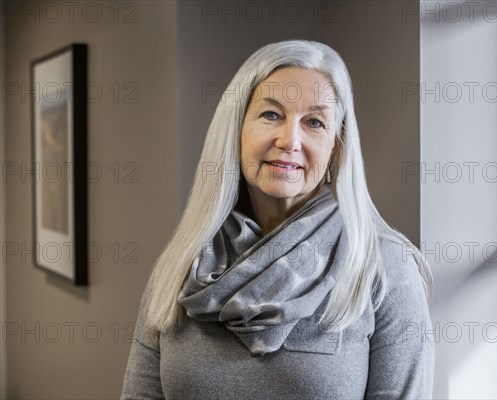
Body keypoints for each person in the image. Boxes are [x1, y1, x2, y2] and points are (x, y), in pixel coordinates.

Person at [121, 39, 435, 400]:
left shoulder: (387, 267)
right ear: (236, 128)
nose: (290, 140)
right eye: (271, 114)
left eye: (314, 122)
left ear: (337, 144)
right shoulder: (182, 261)